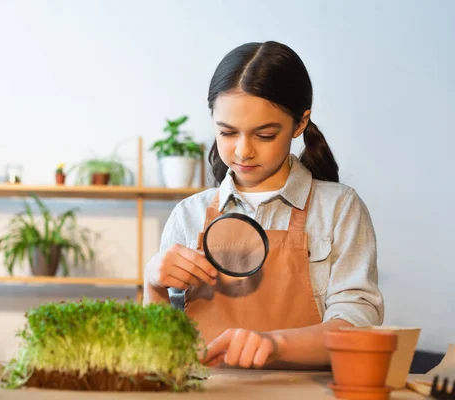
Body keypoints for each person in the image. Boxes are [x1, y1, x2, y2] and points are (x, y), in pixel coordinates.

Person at [143, 41, 384, 370]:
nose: (243, 151)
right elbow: (157, 353)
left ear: (300, 123)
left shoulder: (339, 209)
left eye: (265, 135)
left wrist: (276, 344)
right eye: (227, 133)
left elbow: (358, 325)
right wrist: (153, 284)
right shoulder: (189, 215)